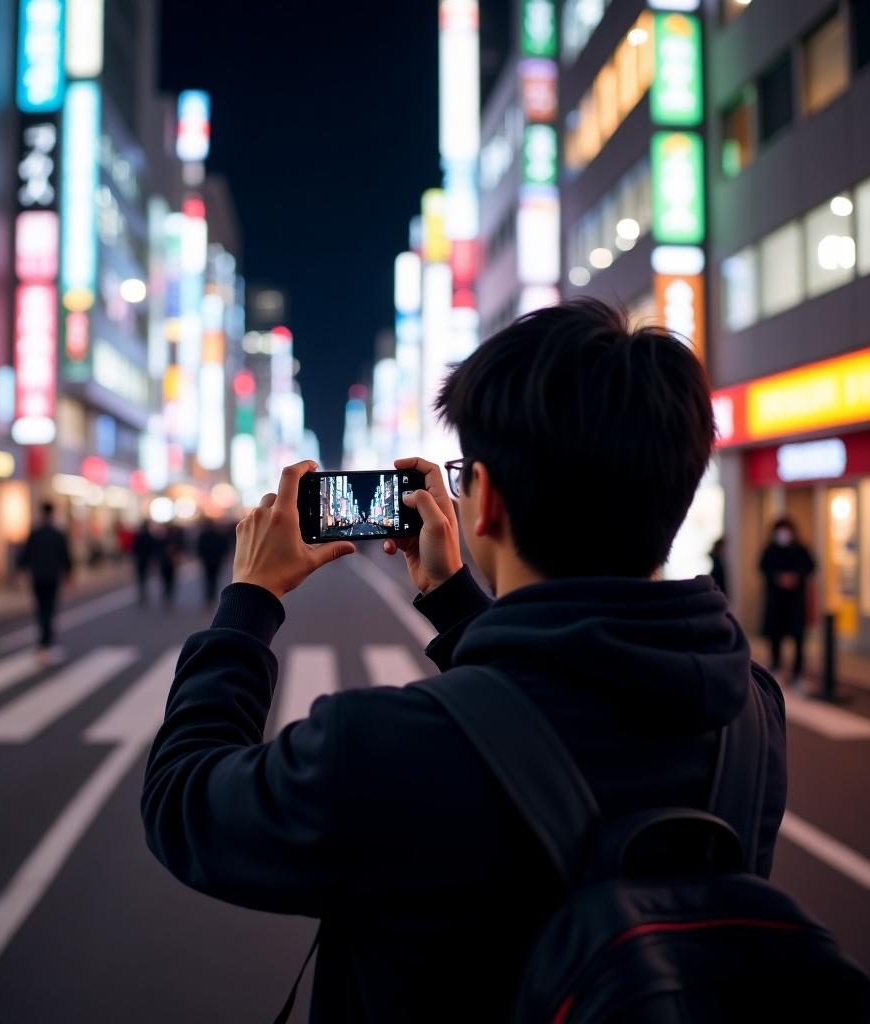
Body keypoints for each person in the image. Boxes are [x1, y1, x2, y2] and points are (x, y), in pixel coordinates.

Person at [141, 300, 787, 1022]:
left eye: (462, 473)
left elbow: (184, 803)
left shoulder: (383, 745)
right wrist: (454, 601)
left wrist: (250, 600)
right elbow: (554, 710)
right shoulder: (753, 712)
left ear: (487, 504)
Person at [760, 517, 816, 689]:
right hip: (776, 603)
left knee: (799, 639)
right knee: (775, 638)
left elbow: (811, 567)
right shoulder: (770, 550)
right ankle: (776, 668)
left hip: (795, 604)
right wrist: (778, 577)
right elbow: (762, 567)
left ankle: (798, 673)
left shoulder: (801, 549)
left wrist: (796, 577)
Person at [18, 502, 72, 665]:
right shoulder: (57, 534)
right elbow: (65, 556)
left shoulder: (35, 533)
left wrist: (20, 570)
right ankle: (46, 644)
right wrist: (68, 574)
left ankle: (43, 643)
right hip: (52, 577)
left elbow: (26, 553)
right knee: (49, 610)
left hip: (37, 576)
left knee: (41, 609)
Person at [195, 517, 231, 605]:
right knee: (215, 577)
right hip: (217, 559)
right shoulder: (219, 535)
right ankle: (212, 595)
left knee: (208, 577)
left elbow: (199, 548)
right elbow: (224, 547)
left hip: (206, 559)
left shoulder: (203, 535)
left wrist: (200, 556)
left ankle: (209, 596)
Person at [132, 520, 158, 607]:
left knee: (141, 577)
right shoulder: (149, 536)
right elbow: (153, 548)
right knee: (144, 576)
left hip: (140, 559)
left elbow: (134, 547)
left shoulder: (139, 536)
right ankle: (143, 592)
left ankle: (142, 592)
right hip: (146, 559)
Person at [159, 523, 184, 609]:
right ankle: (169, 595)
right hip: (170, 563)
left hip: (164, 563)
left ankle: (167, 595)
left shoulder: (162, 539)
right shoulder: (174, 540)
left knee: (166, 580)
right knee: (170, 580)